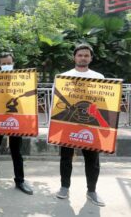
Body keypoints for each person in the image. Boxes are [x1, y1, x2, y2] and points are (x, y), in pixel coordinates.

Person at [55, 44, 105, 207]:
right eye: (80, 55)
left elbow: (104, 101)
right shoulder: (64, 77)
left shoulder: (99, 77)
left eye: (86, 55)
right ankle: (64, 187)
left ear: (91, 58)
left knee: (92, 159)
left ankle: (92, 191)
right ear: (74, 57)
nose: (83, 58)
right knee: (65, 157)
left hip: (91, 124)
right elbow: (57, 101)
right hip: (69, 122)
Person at [0, 52, 33, 195]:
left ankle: (20, 181)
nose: (6, 65)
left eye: (9, 63)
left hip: (15, 119)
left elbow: (25, 100)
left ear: (13, 63)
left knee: (17, 152)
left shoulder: (21, 79)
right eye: (3, 63)